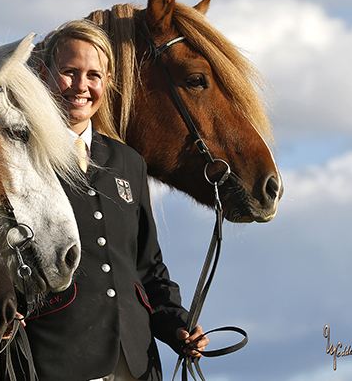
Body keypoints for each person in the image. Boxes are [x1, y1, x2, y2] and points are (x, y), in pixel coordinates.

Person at [17, 19, 209, 381]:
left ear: (107, 81)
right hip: (55, 359)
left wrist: (178, 325)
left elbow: (148, 267)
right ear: (43, 74)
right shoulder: (23, 156)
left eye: (93, 75)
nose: (81, 86)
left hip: (137, 362)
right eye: (69, 72)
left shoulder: (129, 162)